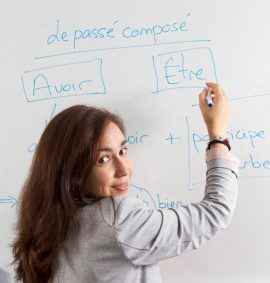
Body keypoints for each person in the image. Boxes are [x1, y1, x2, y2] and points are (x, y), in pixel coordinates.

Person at [12, 82, 240, 283]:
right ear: (72, 171)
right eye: (103, 159)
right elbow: (215, 212)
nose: (124, 170)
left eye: (123, 150)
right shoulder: (117, 220)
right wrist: (218, 135)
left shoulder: (47, 225)